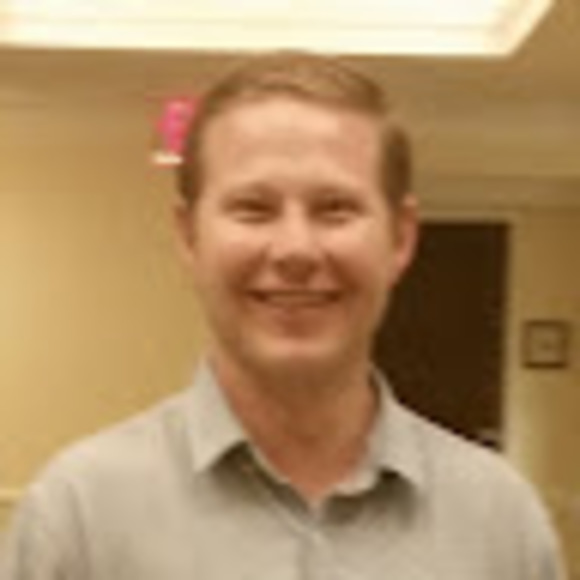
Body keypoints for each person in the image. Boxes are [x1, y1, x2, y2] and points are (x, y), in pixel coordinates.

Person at [0, 51, 565, 580]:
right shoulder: (79, 518)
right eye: (254, 209)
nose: (296, 249)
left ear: (400, 237)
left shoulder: (500, 524)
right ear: (189, 236)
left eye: (335, 209)